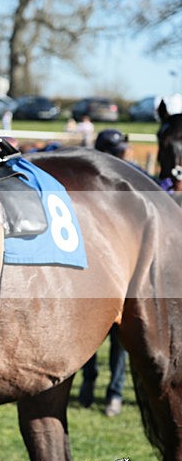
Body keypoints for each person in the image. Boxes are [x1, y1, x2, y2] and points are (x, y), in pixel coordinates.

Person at [78, 128, 132, 417]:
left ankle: (115, 392)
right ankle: (89, 380)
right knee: (89, 335)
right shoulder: (88, 185)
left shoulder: (126, 186)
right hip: (93, 271)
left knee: (119, 340)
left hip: (120, 270)